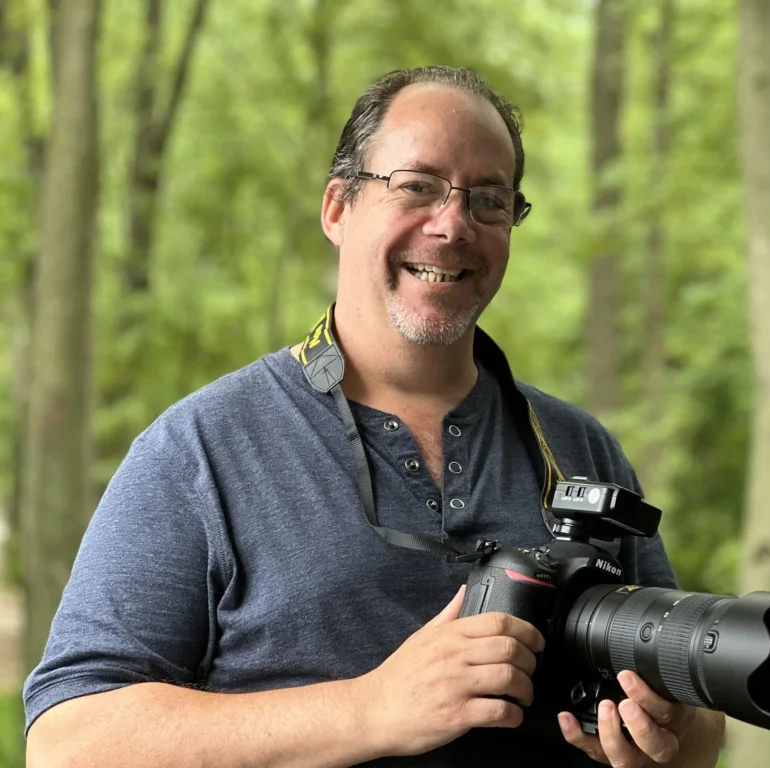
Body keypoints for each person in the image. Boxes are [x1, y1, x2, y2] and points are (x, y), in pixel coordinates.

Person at [23, 66, 724, 767]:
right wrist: (370, 709)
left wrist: (669, 737)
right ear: (338, 208)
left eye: (488, 200)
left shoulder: (577, 447)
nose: (453, 225)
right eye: (416, 186)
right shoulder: (200, 449)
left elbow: (695, 726)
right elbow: (67, 741)